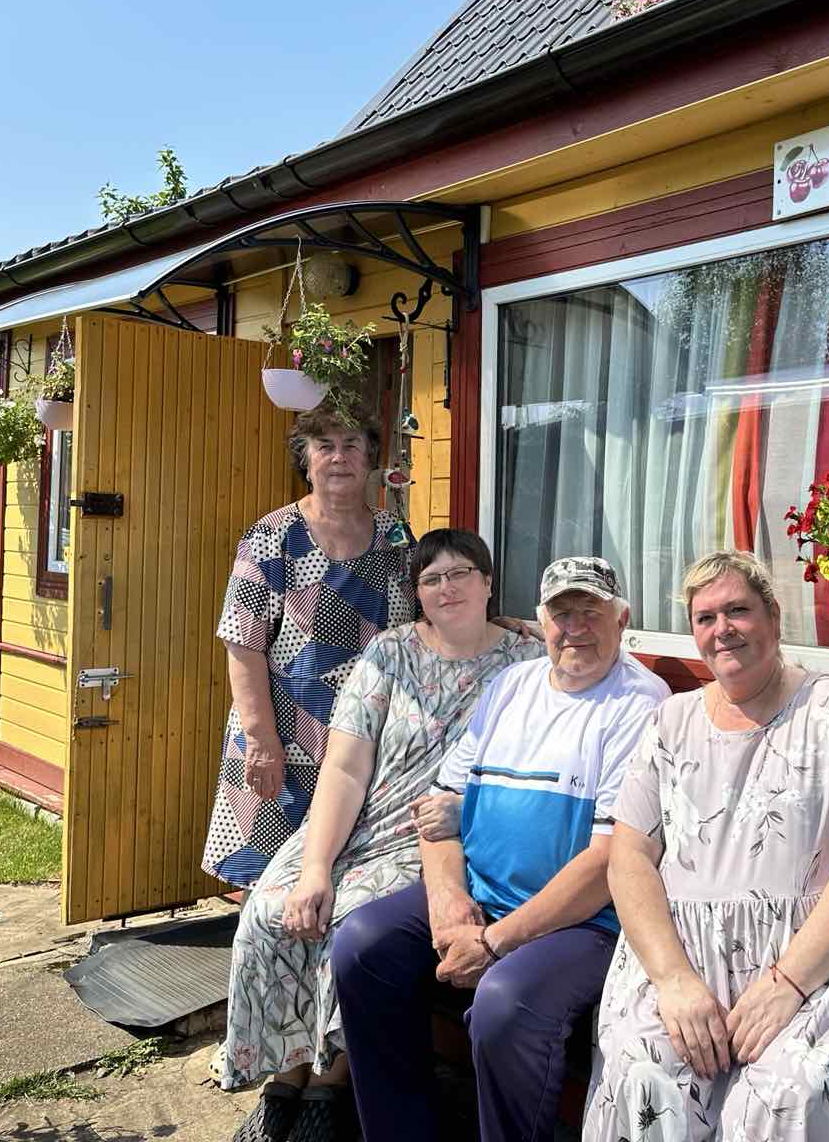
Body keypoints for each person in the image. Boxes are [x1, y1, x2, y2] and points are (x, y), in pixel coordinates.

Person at [330, 556, 669, 1142]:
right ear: (542, 622)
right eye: (562, 614)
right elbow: (438, 811)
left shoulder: (641, 703)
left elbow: (606, 864)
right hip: (481, 896)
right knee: (362, 945)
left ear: (623, 620)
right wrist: (448, 901)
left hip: (584, 922)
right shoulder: (511, 686)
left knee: (505, 1003)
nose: (575, 627)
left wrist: (493, 942)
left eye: (591, 611)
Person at [583, 550, 829, 1142]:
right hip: (684, 959)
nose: (722, 629)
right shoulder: (670, 721)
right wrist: (674, 981)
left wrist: (788, 983)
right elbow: (629, 856)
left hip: (814, 962)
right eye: (705, 618)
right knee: (645, 1078)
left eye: (737, 610)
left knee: (782, 1098)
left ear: (774, 617)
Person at [218, 530, 542, 1142]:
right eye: (432, 579)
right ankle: (285, 1077)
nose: (447, 588)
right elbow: (344, 768)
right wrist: (316, 866)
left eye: (461, 573)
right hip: (361, 818)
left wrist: (538, 626)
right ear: (417, 593)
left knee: (347, 922)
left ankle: (330, 1084)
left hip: (433, 836)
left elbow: (586, 647)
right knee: (269, 909)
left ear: (488, 582)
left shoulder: (526, 662)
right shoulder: (389, 652)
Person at [202, 408, 414, 888]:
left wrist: (494, 623)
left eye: (352, 445)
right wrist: (261, 740)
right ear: (306, 459)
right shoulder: (271, 536)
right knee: (265, 882)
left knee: (351, 876)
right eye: (325, 447)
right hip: (283, 737)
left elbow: (429, 619)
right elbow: (242, 643)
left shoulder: (396, 538)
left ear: (370, 458)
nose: (339, 458)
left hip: (366, 742)